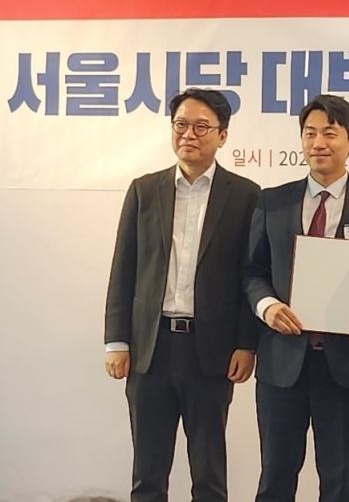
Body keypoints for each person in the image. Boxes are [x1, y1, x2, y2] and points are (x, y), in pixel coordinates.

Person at [104, 88, 260, 502]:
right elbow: (123, 268)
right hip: (149, 348)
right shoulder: (144, 190)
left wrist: (246, 343)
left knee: (208, 474)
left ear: (222, 135)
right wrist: (117, 340)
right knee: (148, 472)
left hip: (210, 350)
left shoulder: (246, 195)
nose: (189, 134)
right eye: (181, 125)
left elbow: (251, 275)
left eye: (201, 126)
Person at [243, 94, 349, 502]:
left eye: (330, 134)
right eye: (310, 133)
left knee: (339, 481)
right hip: (282, 364)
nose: (318, 143)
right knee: (275, 477)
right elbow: (252, 271)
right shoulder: (272, 201)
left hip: (345, 366)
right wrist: (267, 306)